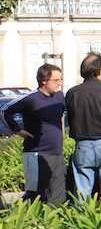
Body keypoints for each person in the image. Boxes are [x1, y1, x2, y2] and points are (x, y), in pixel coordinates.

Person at [1, 63, 66, 205]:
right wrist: (18, 131)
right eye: (56, 80)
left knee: (58, 194)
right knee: (36, 194)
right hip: (36, 153)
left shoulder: (60, 97)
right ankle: (22, 219)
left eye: (60, 80)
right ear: (44, 81)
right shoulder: (31, 99)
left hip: (57, 152)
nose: (59, 84)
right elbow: (5, 110)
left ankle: (54, 223)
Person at [65, 53, 101, 198]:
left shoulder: (72, 93)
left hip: (83, 145)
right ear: (99, 70)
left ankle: (81, 219)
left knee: (82, 192)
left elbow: (70, 119)